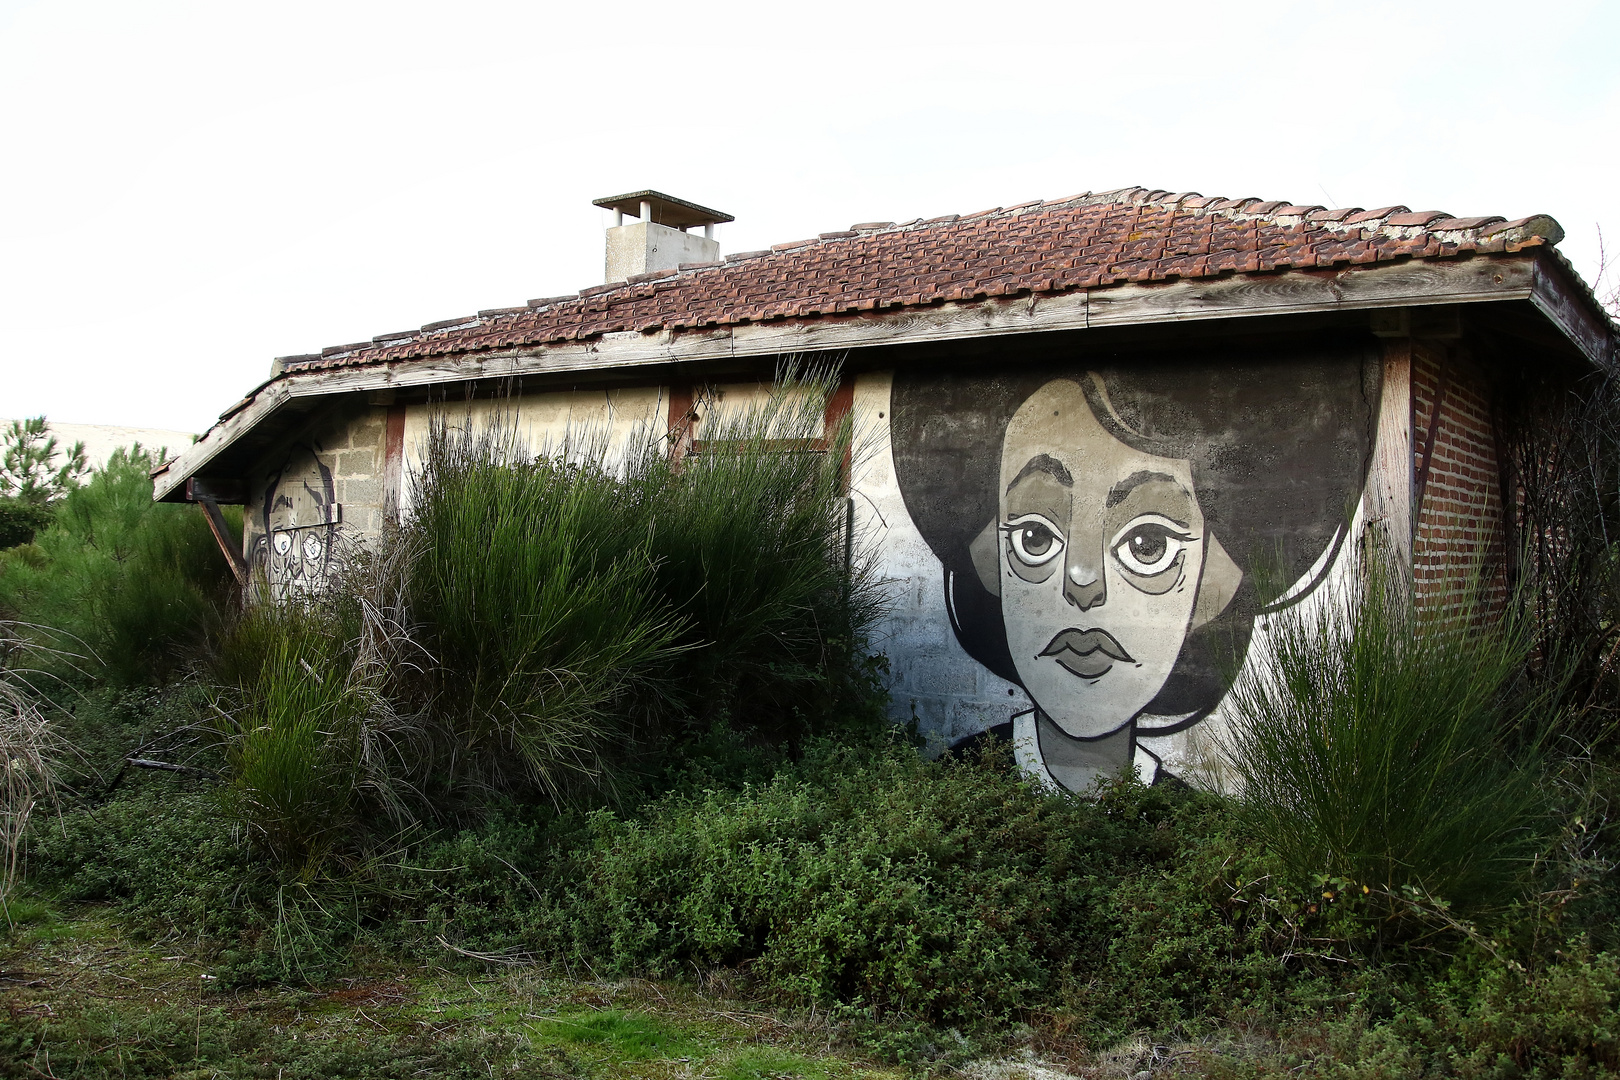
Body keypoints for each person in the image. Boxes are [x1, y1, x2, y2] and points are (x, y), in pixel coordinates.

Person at [890, 340, 1379, 791]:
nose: (1082, 582)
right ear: (987, 556)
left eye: (1148, 544)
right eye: (1036, 536)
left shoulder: (1188, 820)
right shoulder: (963, 778)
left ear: (1218, 577)